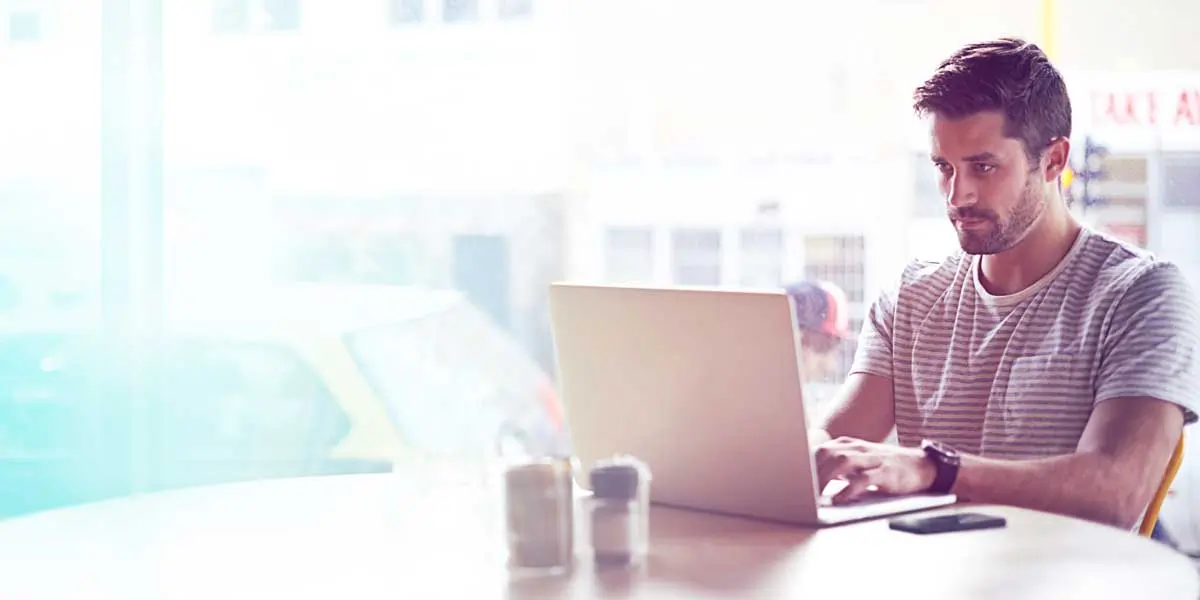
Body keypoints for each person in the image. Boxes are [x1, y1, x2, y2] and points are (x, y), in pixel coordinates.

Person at [810, 37, 1200, 533]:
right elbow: (828, 444)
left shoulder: (1141, 295)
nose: (958, 194)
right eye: (943, 167)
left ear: (1054, 160)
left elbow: (1116, 492)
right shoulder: (911, 298)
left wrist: (934, 469)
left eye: (983, 166)